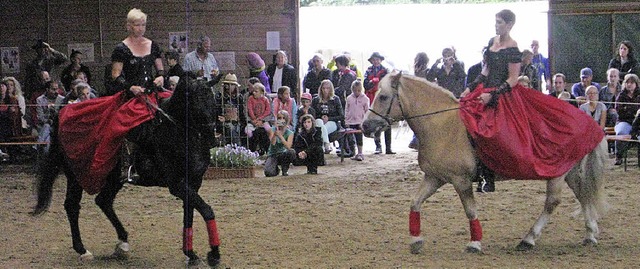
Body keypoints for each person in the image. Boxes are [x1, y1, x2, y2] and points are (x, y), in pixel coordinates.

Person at [460, 9, 604, 193]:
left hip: (504, 96)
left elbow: (513, 79)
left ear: (509, 25)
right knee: (465, 117)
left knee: (493, 133)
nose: (496, 25)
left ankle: (489, 176)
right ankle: (476, 169)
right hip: (485, 91)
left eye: (499, 22)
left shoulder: (513, 48)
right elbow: (485, 72)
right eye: (495, 22)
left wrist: (493, 95)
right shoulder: (493, 43)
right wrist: (470, 87)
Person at [56, 8, 170, 189]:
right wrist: (130, 87)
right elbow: (116, 74)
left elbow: (160, 67)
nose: (140, 28)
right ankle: (128, 165)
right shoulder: (121, 49)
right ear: (128, 26)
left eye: (143, 25)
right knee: (123, 124)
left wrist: (161, 76)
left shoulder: (152, 45)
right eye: (136, 25)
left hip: (153, 93)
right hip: (132, 96)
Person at [364, 52, 394, 154]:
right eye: (374, 59)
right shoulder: (368, 71)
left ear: (380, 60)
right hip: (373, 98)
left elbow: (388, 84)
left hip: (383, 98)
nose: (376, 61)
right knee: (375, 122)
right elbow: (365, 85)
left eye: (377, 59)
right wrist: (372, 82)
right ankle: (378, 146)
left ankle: (388, 147)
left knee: (387, 122)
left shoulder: (385, 71)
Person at [613, 74, 640, 165]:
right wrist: (634, 111)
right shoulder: (621, 96)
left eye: (632, 82)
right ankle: (618, 156)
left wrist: (628, 108)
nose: (629, 84)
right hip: (624, 121)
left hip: (638, 122)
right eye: (627, 82)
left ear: (636, 84)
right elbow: (620, 112)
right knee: (621, 132)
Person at [312, 79, 344, 154]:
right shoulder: (316, 100)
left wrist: (328, 118)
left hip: (332, 122)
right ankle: (326, 144)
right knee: (319, 123)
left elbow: (341, 116)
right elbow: (313, 114)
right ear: (321, 89)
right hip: (318, 121)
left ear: (331, 89)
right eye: (323, 88)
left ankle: (322, 148)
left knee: (322, 130)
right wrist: (321, 118)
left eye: (328, 88)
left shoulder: (335, 99)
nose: (325, 90)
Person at [214, 73, 247, 146]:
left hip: (237, 121)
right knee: (230, 128)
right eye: (227, 85)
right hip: (223, 122)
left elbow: (242, 113)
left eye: (232, 85)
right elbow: (217, 112)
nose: (229, 87)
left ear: (235, 86)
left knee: (240, 128)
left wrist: (239, 120)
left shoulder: (239, 97)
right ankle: (236, 147)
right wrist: (223, 118)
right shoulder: (219, 96)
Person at [264, 110, 296, 177]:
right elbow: (272, 143)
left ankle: (285, 169)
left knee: (291, 152)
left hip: (283, 153)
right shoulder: (272, 130)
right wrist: (275, 135)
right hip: (273, 154)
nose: (281, 120)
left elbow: (288, 146)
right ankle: (275, 169)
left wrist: (281, 136)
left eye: (283, 118)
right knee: (269, 173)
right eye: (279, 118)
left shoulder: (290, 133)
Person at [344, 80, 369, 161]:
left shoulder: (365, 99)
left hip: (360, 121)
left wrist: (364, 121)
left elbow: (367, 111)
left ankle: (360, 153)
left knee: (359, 138)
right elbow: (346, 110)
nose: (357, 92)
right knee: (351, 138)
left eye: (358, 90)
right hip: (351, 121)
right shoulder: (349, 98)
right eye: (355, 90)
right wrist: (346, 121)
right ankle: (353, 152)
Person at [35, 81, 64, 149]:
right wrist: (47, 120)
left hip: (57, 126)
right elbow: (40, 116)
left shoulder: (62, 100)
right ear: (47, 90)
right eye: (53, 89)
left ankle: (37, 145)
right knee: (47, 141)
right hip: (43, 126)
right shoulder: (40, 100)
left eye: (57, 89)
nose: (56, 91)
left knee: (47, 127)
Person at [246, 82, 272, 155]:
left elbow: (268, 111)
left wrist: (260, 119)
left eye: (256, 91)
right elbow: (249, 109)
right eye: (253, 91)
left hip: (262, 121)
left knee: (270, 130)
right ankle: (254, 147)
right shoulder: (250, 99)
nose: (254, 93)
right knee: (248, 131)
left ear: (262, 92)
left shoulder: (265, 99)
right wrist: (254, 119)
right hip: (253, 121)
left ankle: (268, 148)